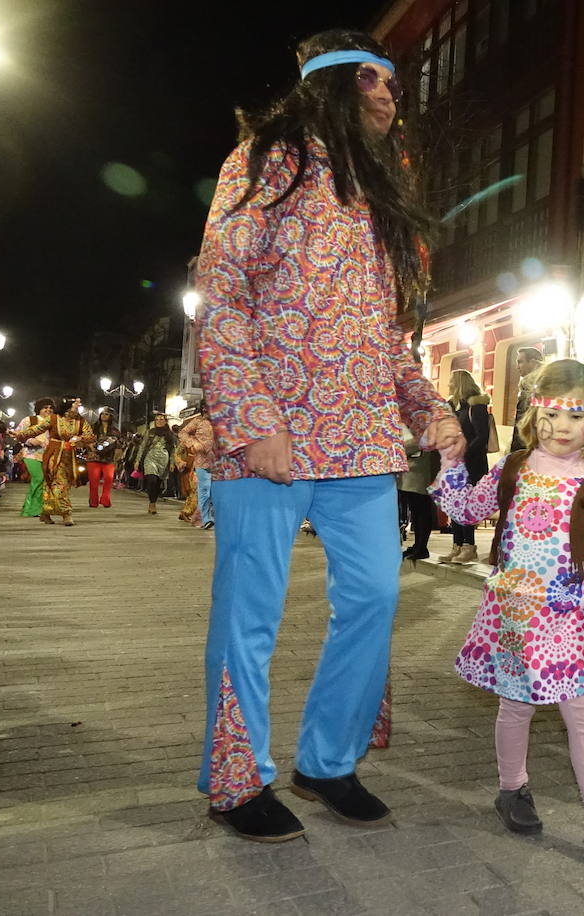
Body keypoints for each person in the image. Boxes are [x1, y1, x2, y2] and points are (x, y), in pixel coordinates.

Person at [194, 29, 461, 843]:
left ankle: (329, 760)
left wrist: (428, 408)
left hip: (362, 442)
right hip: (267, 441)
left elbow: (387, 335)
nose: (390, 94)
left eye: (393, 82)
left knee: (377, 598)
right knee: (251, 612)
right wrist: (251, 421)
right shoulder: (265, 159)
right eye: (374, 80)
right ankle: (238, 781)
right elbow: (223, 293)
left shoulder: (380, 192)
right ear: (332, 84)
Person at [429, 359, 584, 854]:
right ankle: (512, 790)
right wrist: (450, 464)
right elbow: (465, 510)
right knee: (517, 706)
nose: (560, 428)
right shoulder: (512, 469)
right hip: (513, 616)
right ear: (534, 415)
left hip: (571, 622)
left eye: (574, 416)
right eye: (550, 415)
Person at [442, 368, 491, 565]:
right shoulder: (458, 408)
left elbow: (482, 436)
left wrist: (463, 452)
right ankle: (458, 545)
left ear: (460, 383)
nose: (449, 386)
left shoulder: (476, 407)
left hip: (471, 464)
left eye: (452, 382)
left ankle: (469, 546)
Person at [22, 396, 94, 526]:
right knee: (60, 484)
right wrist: (20, 435)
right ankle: (66, 513)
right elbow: (37, 429)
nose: (78, 407)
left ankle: (46, 512)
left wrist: (79, 439)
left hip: (69, 457)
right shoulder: (54, 418)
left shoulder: (80, 421)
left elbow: (90, 436)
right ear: (68, 406)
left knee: (58, 485)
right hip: (54, 455)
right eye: (76, 404)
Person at [399, 429, 439, 562]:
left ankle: (422, 547)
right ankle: (418, 545)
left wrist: (399, 446)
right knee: (415, 509)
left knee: (422, 508)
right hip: (412, 467)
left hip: (421, 467)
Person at [178, 404, 216, 528]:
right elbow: (183, 433)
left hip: (220, 461)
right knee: (205, 488)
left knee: (214, 491)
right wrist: (193, 444)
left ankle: (205, 517)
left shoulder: (223, 420)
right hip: (202, 460)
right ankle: (206, 519)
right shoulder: (197, 421)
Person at [136, 416, 176, 515]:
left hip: (163, 460)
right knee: (151, 479)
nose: (159, 421)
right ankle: (152, 503)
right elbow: (142, 446)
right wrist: (137, 460)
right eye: (157, 419)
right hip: (150, 457)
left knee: (158, 483)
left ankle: (153, 501)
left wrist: (172, 462)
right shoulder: (150, 432)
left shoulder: (170, 434)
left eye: (161, 419)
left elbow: (173, 449)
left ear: (165, 421)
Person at [508, 346, 544, 453]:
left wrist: (517, 452)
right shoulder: (531, 387)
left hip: (528, 449)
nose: (517, 366)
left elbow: (524, 423)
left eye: (520, 362)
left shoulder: (535, 389)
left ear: (532, 362)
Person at [87, 408, 119, 509]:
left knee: (109, 480)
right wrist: (91, 447)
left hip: (109, 459)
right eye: (102, 414)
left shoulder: (115, 430)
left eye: (107, 414)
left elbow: (119, 445)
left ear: (111, 417)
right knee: (94, 481)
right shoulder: (93, 427)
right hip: (94, 457)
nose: (104, 416)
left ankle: (105, 500)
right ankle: (93, 501)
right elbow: (87, 440)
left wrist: (117, 458)